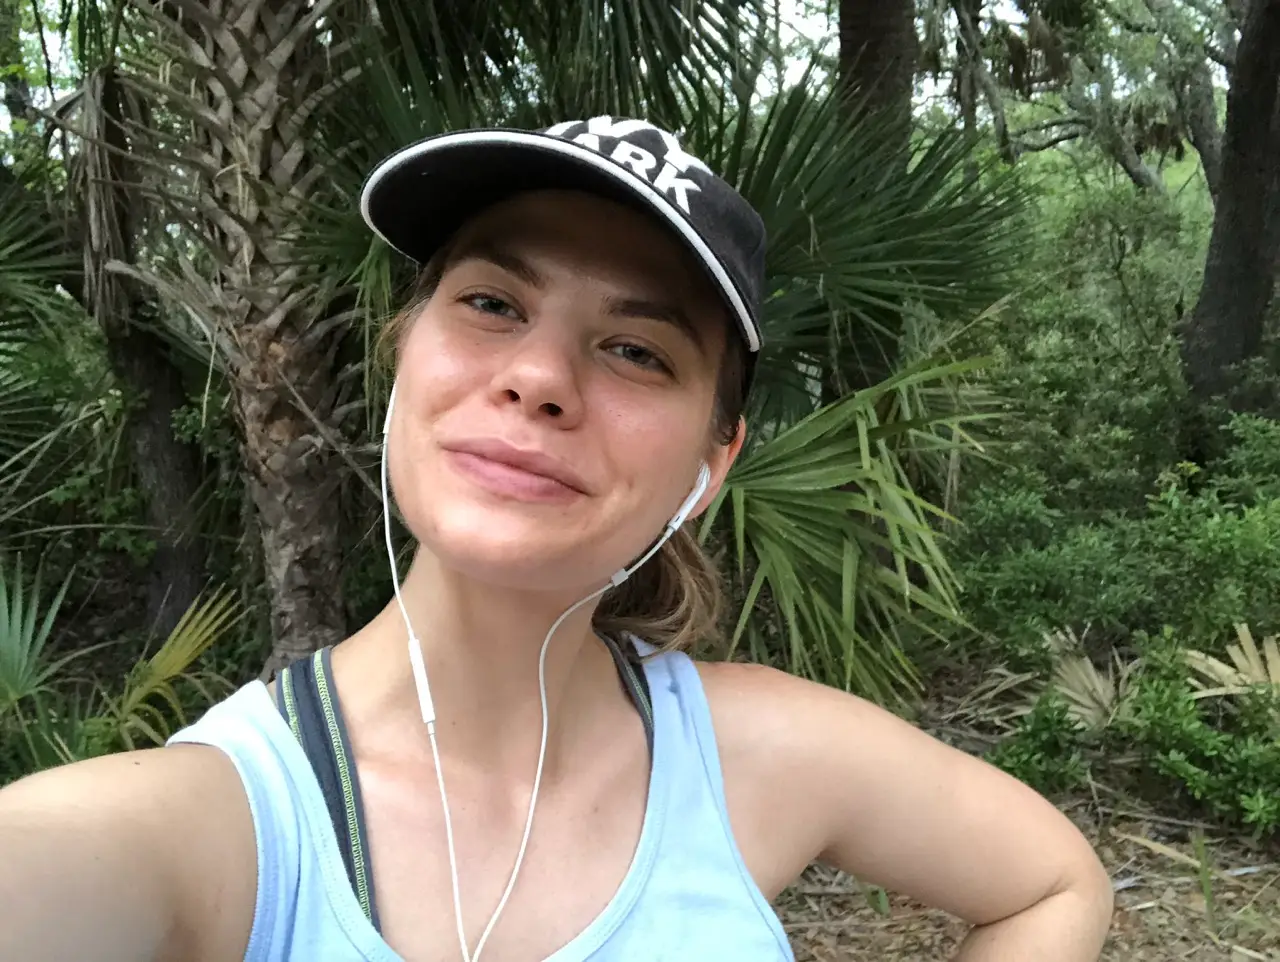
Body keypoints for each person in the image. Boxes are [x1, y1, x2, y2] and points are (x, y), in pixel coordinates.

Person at [0, 117, 1113, 962]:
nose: (536, 376)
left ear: (708, 465)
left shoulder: (760, 754)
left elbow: (1056, 883)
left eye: (636, 350)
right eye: (491, 303)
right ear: (404, 357)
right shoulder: (222, 825)